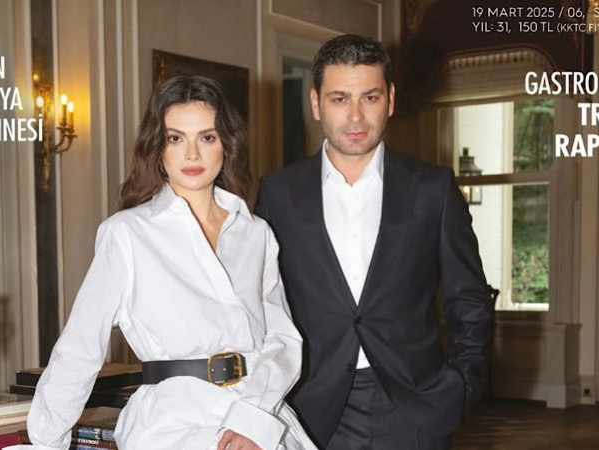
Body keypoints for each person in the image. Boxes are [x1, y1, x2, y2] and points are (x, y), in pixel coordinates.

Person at [24, 75, 318, 450]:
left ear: (226, 144)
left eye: (207, 137)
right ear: (157, 148)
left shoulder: (255, 233)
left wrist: (252, 421)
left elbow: (283, 340)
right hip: (172, 424)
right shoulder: (127, 233)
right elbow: (81, 347)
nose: (192, 154)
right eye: (176, 138)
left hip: (259, 418)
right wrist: (45, 441)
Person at [255, 35, 493, 450]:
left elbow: (469, 299)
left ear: (390, 100)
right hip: (312, 408)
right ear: (316, 104)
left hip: (414, 406)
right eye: (339, 99)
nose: (355, 116)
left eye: (370, 97)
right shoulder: (278, 194)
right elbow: (261, 305)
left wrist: (461, 387)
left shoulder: (433, 189)